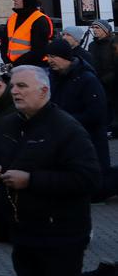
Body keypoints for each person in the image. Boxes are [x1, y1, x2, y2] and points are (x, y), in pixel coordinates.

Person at [0, 66, 103, 276]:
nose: (14, 91)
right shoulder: (6, 125)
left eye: (22, 86)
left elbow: (88, 179)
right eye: (13, 85)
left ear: (44, 90)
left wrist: (32, 180)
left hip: (61, 230)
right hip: (23, 231)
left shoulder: (67, 129)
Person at [44, 38, 113, 193]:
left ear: (65, 57)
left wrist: (65, 121)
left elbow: (96, 114)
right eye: (48, 56)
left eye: (54, 56)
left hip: (89, 137)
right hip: (67, 137)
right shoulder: (54, 77)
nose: (50, 60)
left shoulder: (87, 78)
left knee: (97, 187)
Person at [5, 0, 53, 67]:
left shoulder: (39, 20)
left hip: (35, 67)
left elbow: (39, 50)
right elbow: (5, 43)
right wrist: (7, 61)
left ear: (28, 0)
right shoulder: (12, 18)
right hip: (14, 66)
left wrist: (15, 64)